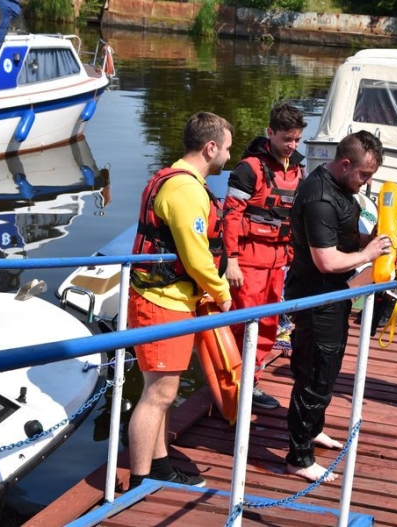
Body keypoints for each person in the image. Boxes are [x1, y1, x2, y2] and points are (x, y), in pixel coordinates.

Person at [126, 111, 234, 488]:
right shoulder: (186, 190)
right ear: (210, 148)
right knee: (159, 394)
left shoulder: (169, 177)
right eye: (226, 149)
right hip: (162, 301)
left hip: (166, 298)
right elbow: (196, 255)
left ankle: (159, 465)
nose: (228, 158)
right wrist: (222, 293)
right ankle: (141, 478)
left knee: (162, 392)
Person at [284, 130, 393, 482]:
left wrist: (372, 238)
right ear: (345, 164)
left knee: (325, 369)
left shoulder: (343, 189)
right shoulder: (319, 197)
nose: (367, 182)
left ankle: (313, 429)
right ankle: (299, 458)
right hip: (317, 295)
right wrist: (369, 254)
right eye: (364, 174)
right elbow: (327, 261)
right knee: (315, 373)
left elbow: (340, 236)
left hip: (333, 296)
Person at [223, 103, 308, 410]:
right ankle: (235, 386)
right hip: (247, 261)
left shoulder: (298, 168)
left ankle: (250, 380)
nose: (292, 146)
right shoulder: (249, 168)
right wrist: (230, 259)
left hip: (277, 262)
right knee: (244, 325)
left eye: (297, 139)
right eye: (287, 139)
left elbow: (298, 216)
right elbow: (231, 215)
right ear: (270, 133)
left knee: (270, 325)